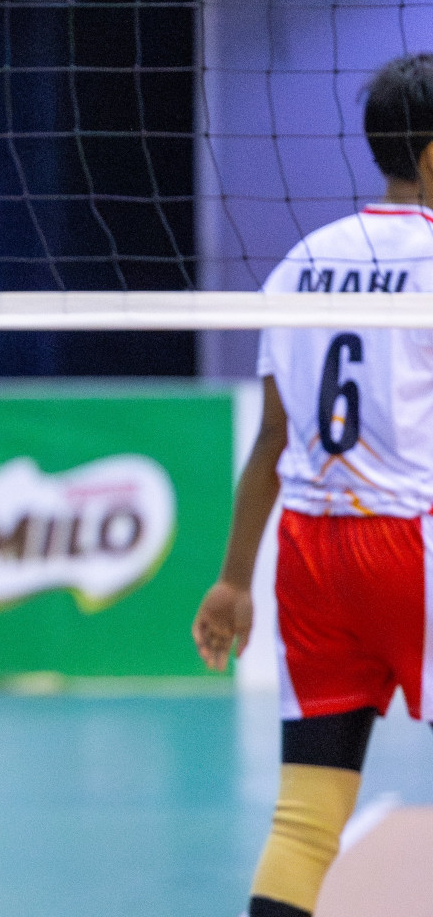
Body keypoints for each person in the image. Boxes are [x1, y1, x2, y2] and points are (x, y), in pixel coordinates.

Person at [192, 52, 433, 917]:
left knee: (303, 821)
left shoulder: (299, 262)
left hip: (310, 550)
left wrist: (233, 580)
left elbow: (274, 436)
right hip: (414, 542)